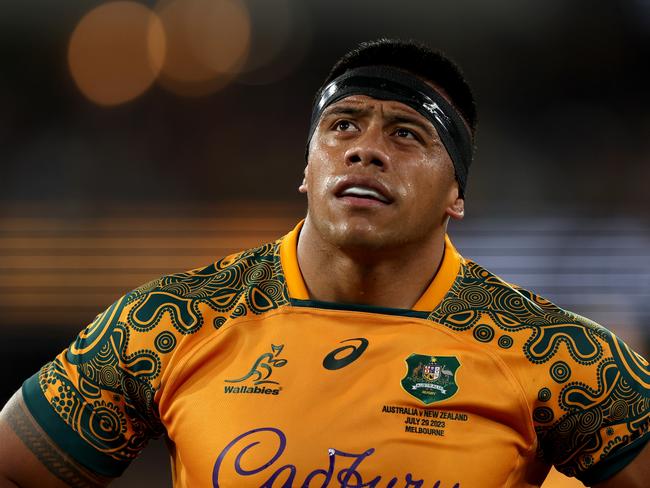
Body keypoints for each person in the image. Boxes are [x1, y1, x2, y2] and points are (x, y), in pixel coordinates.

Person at [0, 38, 647, 488]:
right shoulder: (171, 322)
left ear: (456, 195)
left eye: (406, 133)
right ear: (307, 169)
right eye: (342, 126)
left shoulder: (547, 351)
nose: (364, 150)